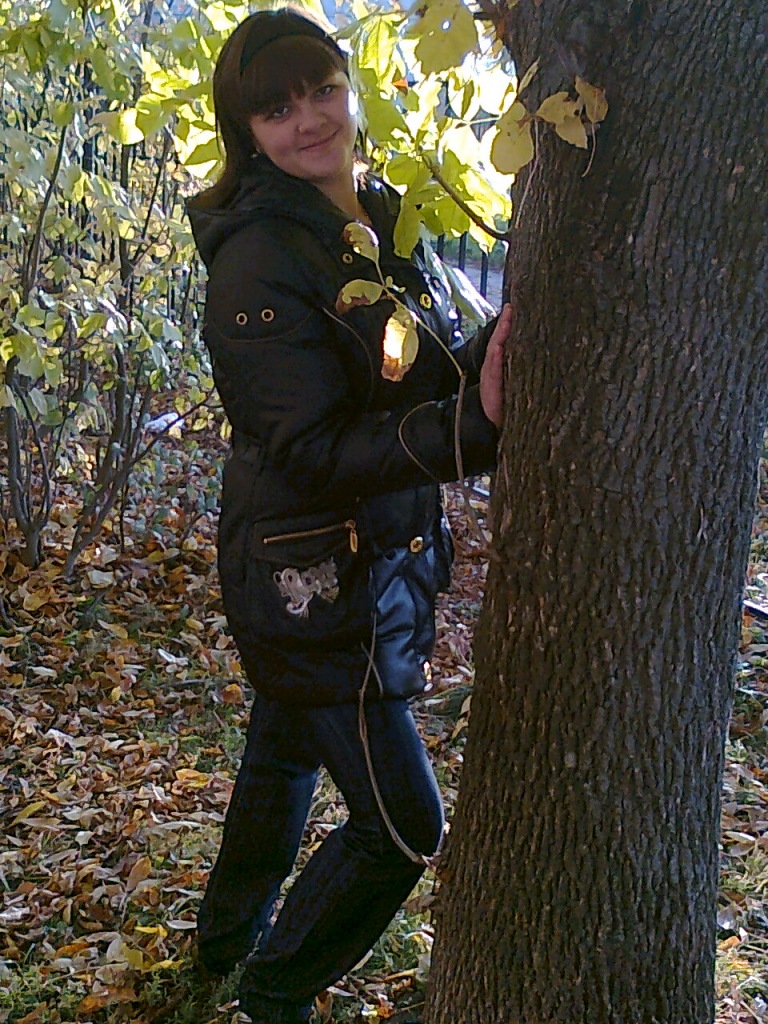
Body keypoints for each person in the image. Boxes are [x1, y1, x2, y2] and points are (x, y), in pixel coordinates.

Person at [187, 8, 511, 1023]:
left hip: (363, 556)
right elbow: (312, 448)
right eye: (276, 109)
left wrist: (490, 356)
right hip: (310, 572)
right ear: (248, 134)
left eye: (321, 88)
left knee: (283, 755)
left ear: (351, 85)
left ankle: (220, 952)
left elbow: (417, 369)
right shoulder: (258, 259)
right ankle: (272, 993)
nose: (308, 120)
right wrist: (474, 429)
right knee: (404, 827)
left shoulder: (378, 215)